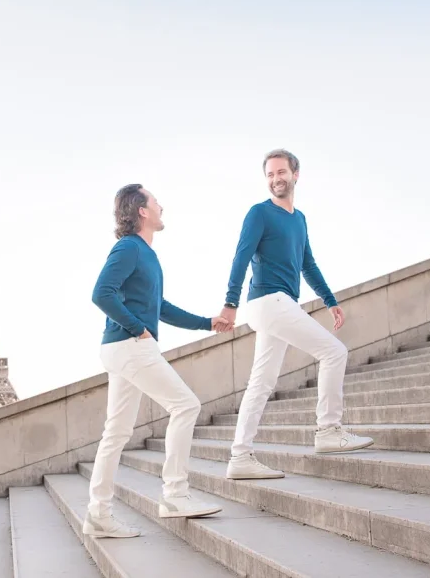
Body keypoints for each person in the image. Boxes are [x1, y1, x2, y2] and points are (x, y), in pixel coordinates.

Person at [218, 149, 374, 480]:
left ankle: (240, 457)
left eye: (281, 172)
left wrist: (330, 300)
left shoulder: (299, 219)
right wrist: (230, 304)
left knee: (260, 383)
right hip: (269, 301)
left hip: (278, 305)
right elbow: (240, 257)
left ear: (295, 175)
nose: (276, 179)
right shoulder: (259, 213)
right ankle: (329, 431)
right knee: (334, 352)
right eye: (270, 174)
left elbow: (308, 264)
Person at [84, 183, 228, 538]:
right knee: (186, 406)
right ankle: (175, 495)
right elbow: (101, 293)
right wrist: (137, 328)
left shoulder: (146, 254)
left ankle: (98, 514)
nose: (162, 204)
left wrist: (206, 323)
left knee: (116, 433)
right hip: (131, 346)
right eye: (155, 200)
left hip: (122, 348)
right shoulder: (129, 248)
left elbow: (160, 307)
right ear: (142, 211)